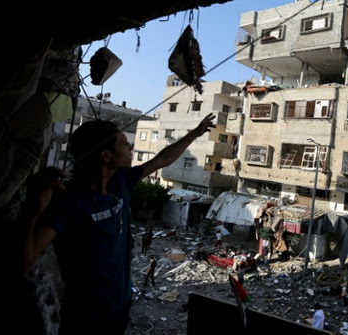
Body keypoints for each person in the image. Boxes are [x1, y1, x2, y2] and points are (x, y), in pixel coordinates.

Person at [22, 113, 216, 335]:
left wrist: (196, 133)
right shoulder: (68, 200)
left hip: (121, 308)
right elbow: (23, 263)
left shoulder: (121, 180)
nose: (131, 146)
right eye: (124, 143)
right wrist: (32, 212)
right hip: (86, 318)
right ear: (106, 155)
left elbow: (163, 159)